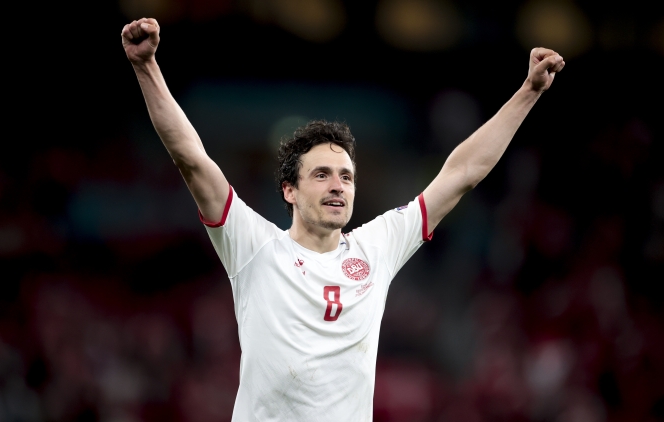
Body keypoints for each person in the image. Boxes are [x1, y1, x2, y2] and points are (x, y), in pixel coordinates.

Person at [121, 17, 565, 421]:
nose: (338, 186)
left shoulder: (377, 247)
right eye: (321, 175)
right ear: (289, 191)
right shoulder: (255, 246)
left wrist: (528, 92)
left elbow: (462, 173)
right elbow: (192, 159)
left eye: (346, 177)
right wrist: (146, 67)